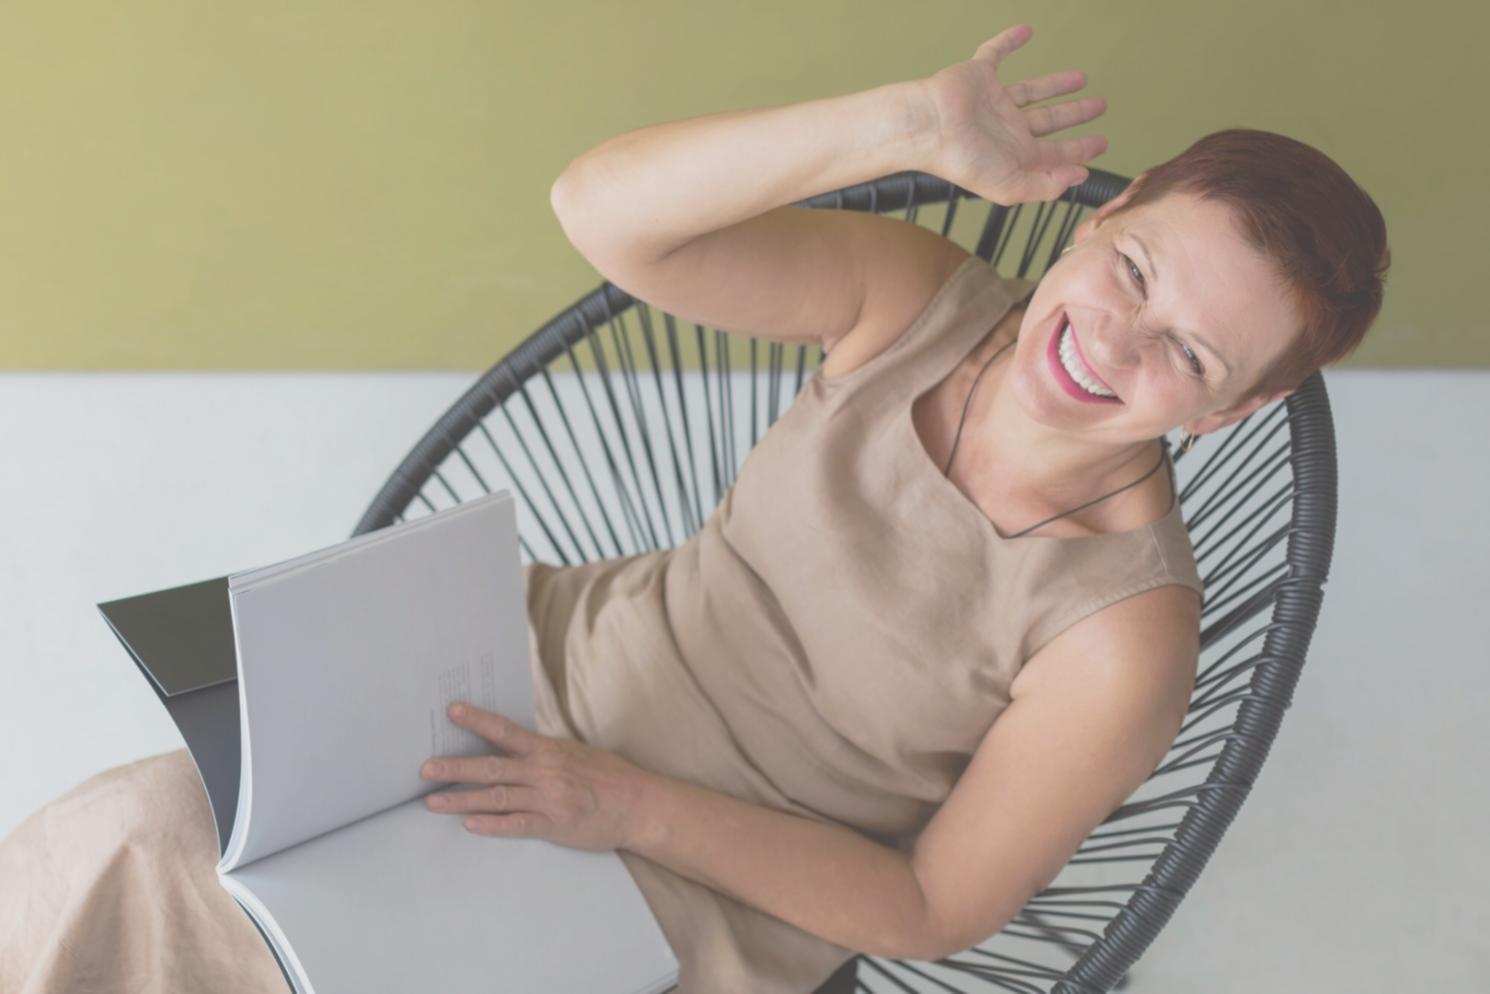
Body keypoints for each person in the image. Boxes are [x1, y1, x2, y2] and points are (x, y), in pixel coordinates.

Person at [0, 22, 1388, 994]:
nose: (1115, 342)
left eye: (1189, 356)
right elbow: (606, 214)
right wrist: (901, 122)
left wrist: (620, 805)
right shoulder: (916, 301)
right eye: (1134, 267)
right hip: (522, 678)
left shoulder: (1118, 641)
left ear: (1226, 413)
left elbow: (928, 908)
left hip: (689, 881)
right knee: (120, 839)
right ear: (1098, 214)